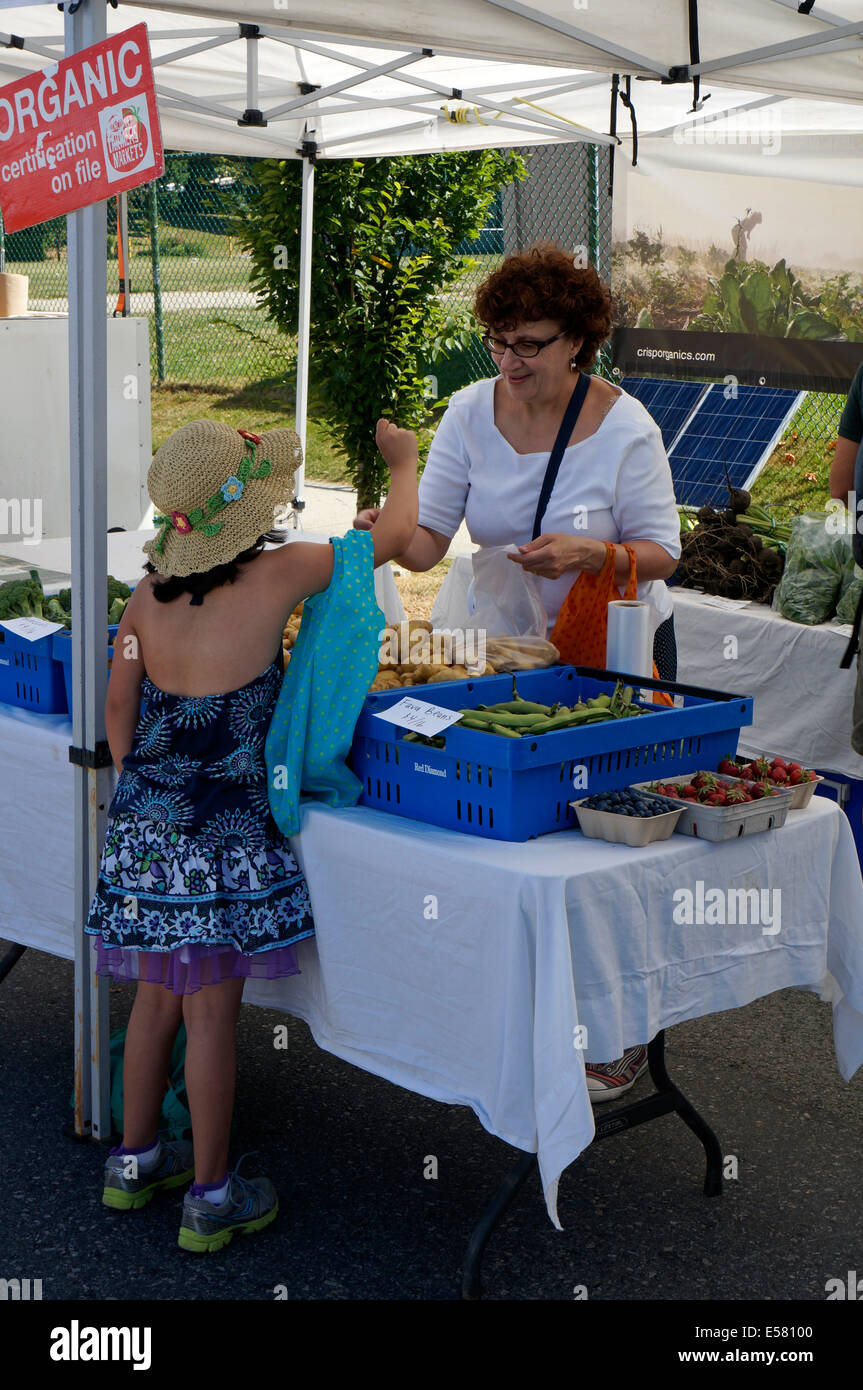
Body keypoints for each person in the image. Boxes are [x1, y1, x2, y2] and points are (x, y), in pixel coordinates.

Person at [355, 243, 681, 1101]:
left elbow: (662, 554)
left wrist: (594, 551)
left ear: (578, 340)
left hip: (611, 654)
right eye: (498, 341)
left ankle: (621, 1032)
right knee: (506, 838)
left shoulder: (625, 425)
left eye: (529, 343)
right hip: (503, 652)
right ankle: (511, 1006)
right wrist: (382, 528)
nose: (510, 361)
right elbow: (427, 541)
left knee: (608, 848)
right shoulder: (469, 411)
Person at [87, 415, 418, 1252]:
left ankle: (132, 1164)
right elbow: (402, 539)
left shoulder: (143, 595)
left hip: (144, 834)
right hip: (225, 841)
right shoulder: (281, 575)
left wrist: (138, 783)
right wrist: (403, 463)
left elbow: (116, 704)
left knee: (154, 1000)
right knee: (210, 1022)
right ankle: (210, 1193)